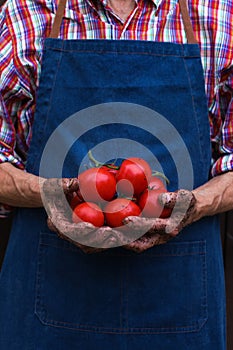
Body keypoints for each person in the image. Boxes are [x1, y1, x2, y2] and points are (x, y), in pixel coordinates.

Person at [0, 0, 232, 348]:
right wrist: (50, 193)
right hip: (50, 295)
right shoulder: (26, 13)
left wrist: (196, 203)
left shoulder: (219, 16)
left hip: (180, 299)